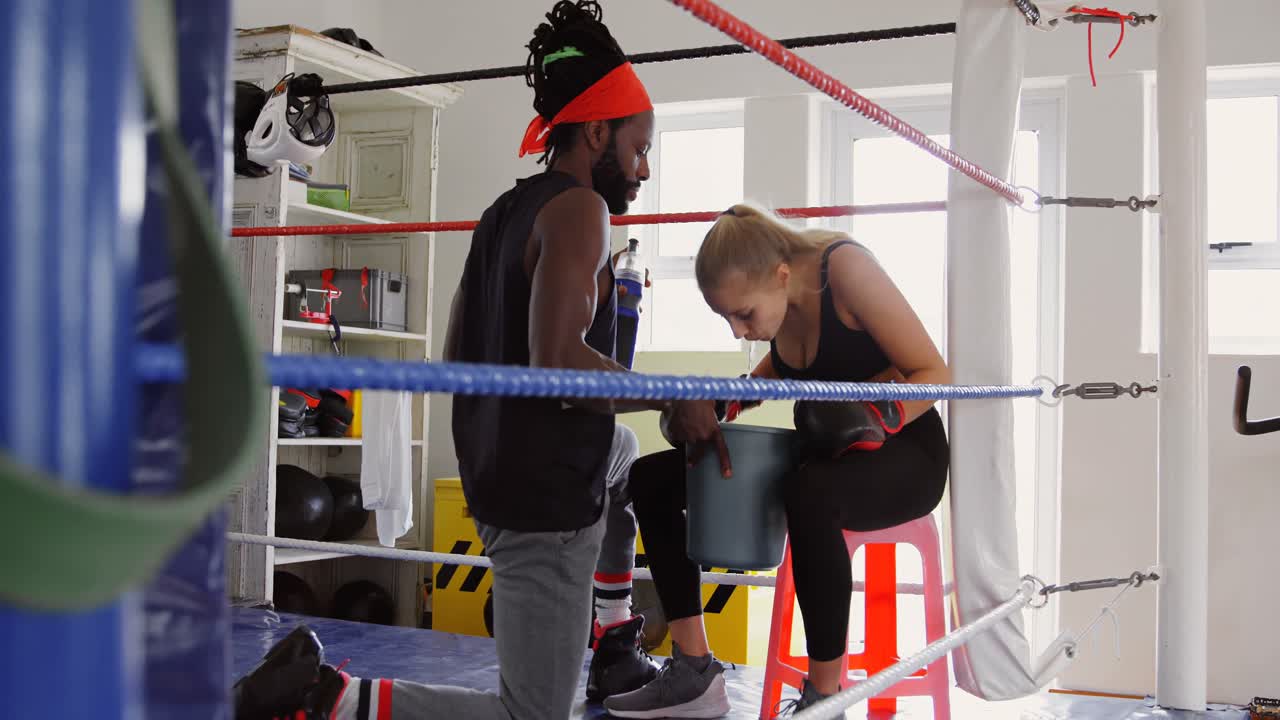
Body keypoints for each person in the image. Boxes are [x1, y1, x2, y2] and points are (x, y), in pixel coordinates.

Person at [230, 3, 725, 719]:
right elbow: (558, 366)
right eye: (639, 148)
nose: (643, 168)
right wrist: (673, 396)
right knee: (531, 714)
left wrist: (488, 465)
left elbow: (456, 357)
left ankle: (615, 630)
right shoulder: (582, 211)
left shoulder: (502, 213)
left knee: (620, 453)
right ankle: (331, 697)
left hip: (498, 478)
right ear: (597, 132)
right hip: (545, 504)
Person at [604, 204, 951, 718]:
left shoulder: (845, 271)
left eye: (743, 314)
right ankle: (694, 673)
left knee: (810, 492)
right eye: (727, 318)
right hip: (829, 457)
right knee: (652, 478)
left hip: (907, 458)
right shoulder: (783, 310)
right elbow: (764, 382)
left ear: (782, 274)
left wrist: (876, 413)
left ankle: (824, 700)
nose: (737, 331)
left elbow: (936, 373)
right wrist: (709, 405)